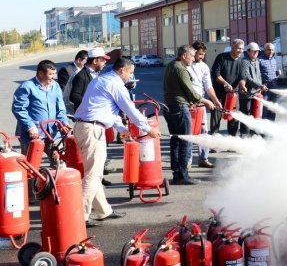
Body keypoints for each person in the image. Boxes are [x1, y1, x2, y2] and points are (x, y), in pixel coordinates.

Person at [73, 57, 160, 228]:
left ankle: (103, 210)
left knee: (95, 172)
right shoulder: (116, 84)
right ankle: (80, 217)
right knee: (93, 175)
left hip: (85, 127)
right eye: (130, 72)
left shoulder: (101, 80)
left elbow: (108, 110)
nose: (131, 76)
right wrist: (147, 129)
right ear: (122, 70)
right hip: (92, 130)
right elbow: (129, 108)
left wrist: (122, 129)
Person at [163, 45, 216, 185]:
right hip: (180, 108)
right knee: (186, 140)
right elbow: (191, 91)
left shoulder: (171, 65)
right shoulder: (181, 69)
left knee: (175, 140)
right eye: (192, 56)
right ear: (184, 55)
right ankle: (183, 175)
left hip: (171, 107)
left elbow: (179, 89)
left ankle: (177, 173)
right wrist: (206, 101)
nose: (193, 59)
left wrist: (189, 101)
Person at [12, 60, 69, 157]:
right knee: (31, 164)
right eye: (51, 74)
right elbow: (19, 109)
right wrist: (31, 127)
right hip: (33, 134)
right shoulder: (27, 87)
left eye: (54, 74)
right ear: (41, 73)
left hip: (52, 133)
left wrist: (63, 122)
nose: (54, 77)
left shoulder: (55, 86)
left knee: (59, 161)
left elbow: (61, 107)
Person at [188, 41, 222, 169]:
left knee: (204, 131)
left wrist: (215, 100)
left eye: (203, 54)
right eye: (200, 54)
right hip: (188, 103)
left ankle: (203, 159)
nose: (202, 57)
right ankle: (188, 161)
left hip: (201, 103)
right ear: (193, 52)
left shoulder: (204, 67)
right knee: (190, 132)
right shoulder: (185, 65)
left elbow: (208, 86)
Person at [211, 39, 246, 137]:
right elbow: (215, 73)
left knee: (233, 118)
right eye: (239, 48)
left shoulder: (241, 61)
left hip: (233, 95)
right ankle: (214, 142)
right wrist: (225, 83)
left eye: (242, 49)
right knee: (216, 118)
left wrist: (242, 85)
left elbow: (242, 77)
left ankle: (231, 141)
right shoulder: (221, 57)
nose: (241, 51)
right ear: (233, 47)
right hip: (218, 94)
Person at [64, 47, 109, 113]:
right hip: (85, 115)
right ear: (95, 61)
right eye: (103, 60)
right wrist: (90, 104)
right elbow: (74, 96)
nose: (105, 62)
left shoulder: (96, 73)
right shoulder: (81, 75)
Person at [239, 42, 268, 136]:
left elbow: (258, 75)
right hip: (246, 94)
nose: (256, 53)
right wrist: (259, 86)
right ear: (248, 51)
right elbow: (247, 77)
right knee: (246, 116)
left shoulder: (257, 61)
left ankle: (252, 135)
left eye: (257, 51)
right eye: (254, 51)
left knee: (254, 115)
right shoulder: (244, 61)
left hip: (256, 93)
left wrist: (260, 86)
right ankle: (244, 136)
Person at [259, 42, 281, 121]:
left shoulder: (274, 60)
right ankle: (264, 127)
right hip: (265, 87)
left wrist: (277, 74)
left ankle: (271, 124)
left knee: (273, 107)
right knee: (264, 108)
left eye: (272, 50)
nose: (271, 51)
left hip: (274, 85)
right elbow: (258, 75)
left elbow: (272, 73)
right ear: (264, 50)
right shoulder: (260, 60)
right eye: (268, 50)